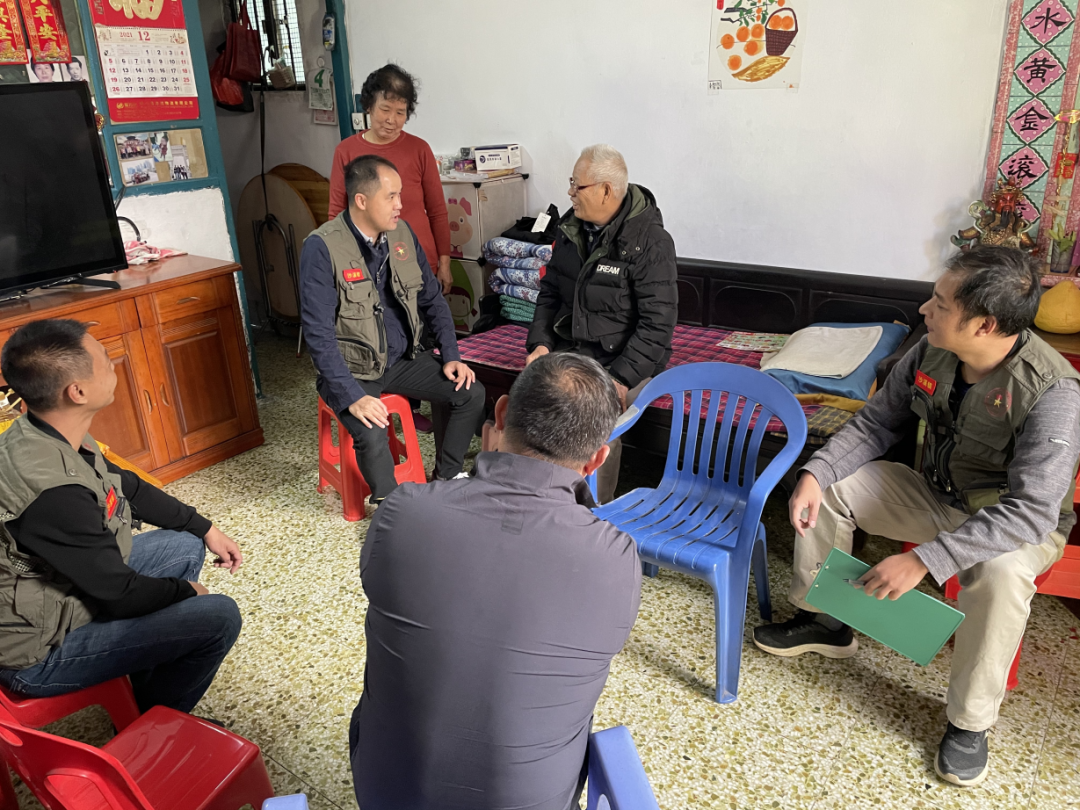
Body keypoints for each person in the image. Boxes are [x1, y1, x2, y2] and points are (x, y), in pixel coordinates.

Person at [752, 245, 1080, 788]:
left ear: (984, 324)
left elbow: (1031, 510)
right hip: (936, 494)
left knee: (1000, 573)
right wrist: (816, 472)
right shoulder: (931, 349)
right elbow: (876, 423)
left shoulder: (1052, 392)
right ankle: (827, 620)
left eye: (941, 303)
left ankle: (969, 723)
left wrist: (926, 561)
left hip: (1011, 523)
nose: (925, 309)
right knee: (832, 489)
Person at [350, 352, 641, 810]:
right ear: (597, 459)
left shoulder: (403, 512)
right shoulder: (615, 559)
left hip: (384, 792)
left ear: (500, 414)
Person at [0, 319, 243, 713]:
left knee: (184, 544)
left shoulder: (45, 429)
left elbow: (126, 485)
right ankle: (154, 720)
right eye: (104, 359)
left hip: (64, 590)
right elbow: (119, 596)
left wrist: (206, 528)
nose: (113, 364)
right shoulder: (53, 494)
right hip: (37, 651)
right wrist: (187, 591)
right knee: (219, 616)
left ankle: (147, 677)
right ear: (77, 392)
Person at [301, 154, 484, 505]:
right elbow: (318, 335)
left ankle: (447, 476)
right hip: (352, 371)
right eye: (391, 196)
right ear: (361, 200)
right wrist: (352, 396)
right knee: (372, 431)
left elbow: (433, 300)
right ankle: (391, 506)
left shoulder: (401, 234)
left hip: (401, 359)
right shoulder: (322, 247)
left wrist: (451, 355)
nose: (400, 204)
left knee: (470, 391)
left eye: (400, 195)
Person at [525, 144, 678, 502]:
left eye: (576, 185)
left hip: (624, 361)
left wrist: (621, 378)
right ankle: (542, 503)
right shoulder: (570, 228)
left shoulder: (650, 242)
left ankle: (593, 513)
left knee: (594, 415)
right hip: (574, 351)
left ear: (606, 191)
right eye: (571, 183)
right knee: (532, 401)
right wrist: (541, 344)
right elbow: (550, 293)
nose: (569, 192)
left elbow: (658, 324)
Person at [328, 64, 452, 295]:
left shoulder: (419, 149)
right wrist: (340, 263)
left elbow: (437, 211)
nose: (391, 120)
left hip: (420, 262)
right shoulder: (346, 151)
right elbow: (337, 213)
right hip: (368, 266)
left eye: (400, 112)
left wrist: (444, 263)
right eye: (385, 109)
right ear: (368, 106)